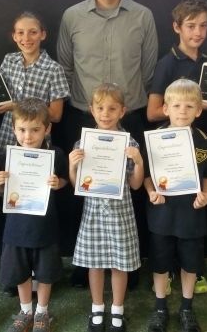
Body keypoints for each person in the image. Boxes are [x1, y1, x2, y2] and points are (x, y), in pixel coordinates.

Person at [57, 0, 158, 289]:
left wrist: (125, 110)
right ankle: (85, 264)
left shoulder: (143, 17)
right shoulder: (72, 17)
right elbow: (65, 66)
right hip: (84, 116)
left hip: (129, 116)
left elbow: (148, 70)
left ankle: (127, 264)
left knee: (130, 191)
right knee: (84, 191)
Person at [147, 0, 207, 295]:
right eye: (191, 26)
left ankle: (194, 270)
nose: (198, 32)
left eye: (203, 25)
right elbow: (153, 112)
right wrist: (191, 106)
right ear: (177, 27)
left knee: (196, 209)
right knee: (169, 214)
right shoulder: (166, 64)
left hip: (200, 146)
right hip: (170, 150)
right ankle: (167, 273)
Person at [68, 83, 144, 332]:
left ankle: (118, 309)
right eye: (100, 108)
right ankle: (98, 307)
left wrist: (138, 161)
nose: (106, 114)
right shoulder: (83, 143)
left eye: (112, 109)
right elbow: (77, 185)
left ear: (122, 111)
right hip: (93, 213)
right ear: (92, 110)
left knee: (120, 264)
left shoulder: (129, 143)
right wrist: (72, 166)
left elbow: (136, 184)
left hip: (121, 213)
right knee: (95, 262)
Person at [145, 79, 207, 332]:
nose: (182, 111)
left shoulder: (205, 142)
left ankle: (187, 308)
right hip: (162, 212)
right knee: (160, 262)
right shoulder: (154, 139)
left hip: (191, 213)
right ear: (165, 109)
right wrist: (151, 191)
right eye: (176, 105)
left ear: (199, 110)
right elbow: (147, 175)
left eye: (189, 106)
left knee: (190, 263)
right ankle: (160, 307)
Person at [0, 98, 68, 332]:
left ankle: (42, 311)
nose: (28, 136)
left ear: (47, 129)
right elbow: (2, 190)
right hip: (16, 227)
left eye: (35, 130)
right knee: (20, 270)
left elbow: (65, 181)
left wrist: (59, 183)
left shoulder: (56, 154)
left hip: (45, 226)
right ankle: (26, 311)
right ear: (13, 129)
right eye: (22, 130)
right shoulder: (8, 156)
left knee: (45, 272)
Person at [0, 11, 69, 155]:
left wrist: (15, 106)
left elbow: (56, 115)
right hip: (8, 136)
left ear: (42, 35)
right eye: (20, 33)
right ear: (14, 36)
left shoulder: (54, 69)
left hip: (37, 141)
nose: (26, 38)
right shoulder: (9, 60)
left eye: (33, 32)